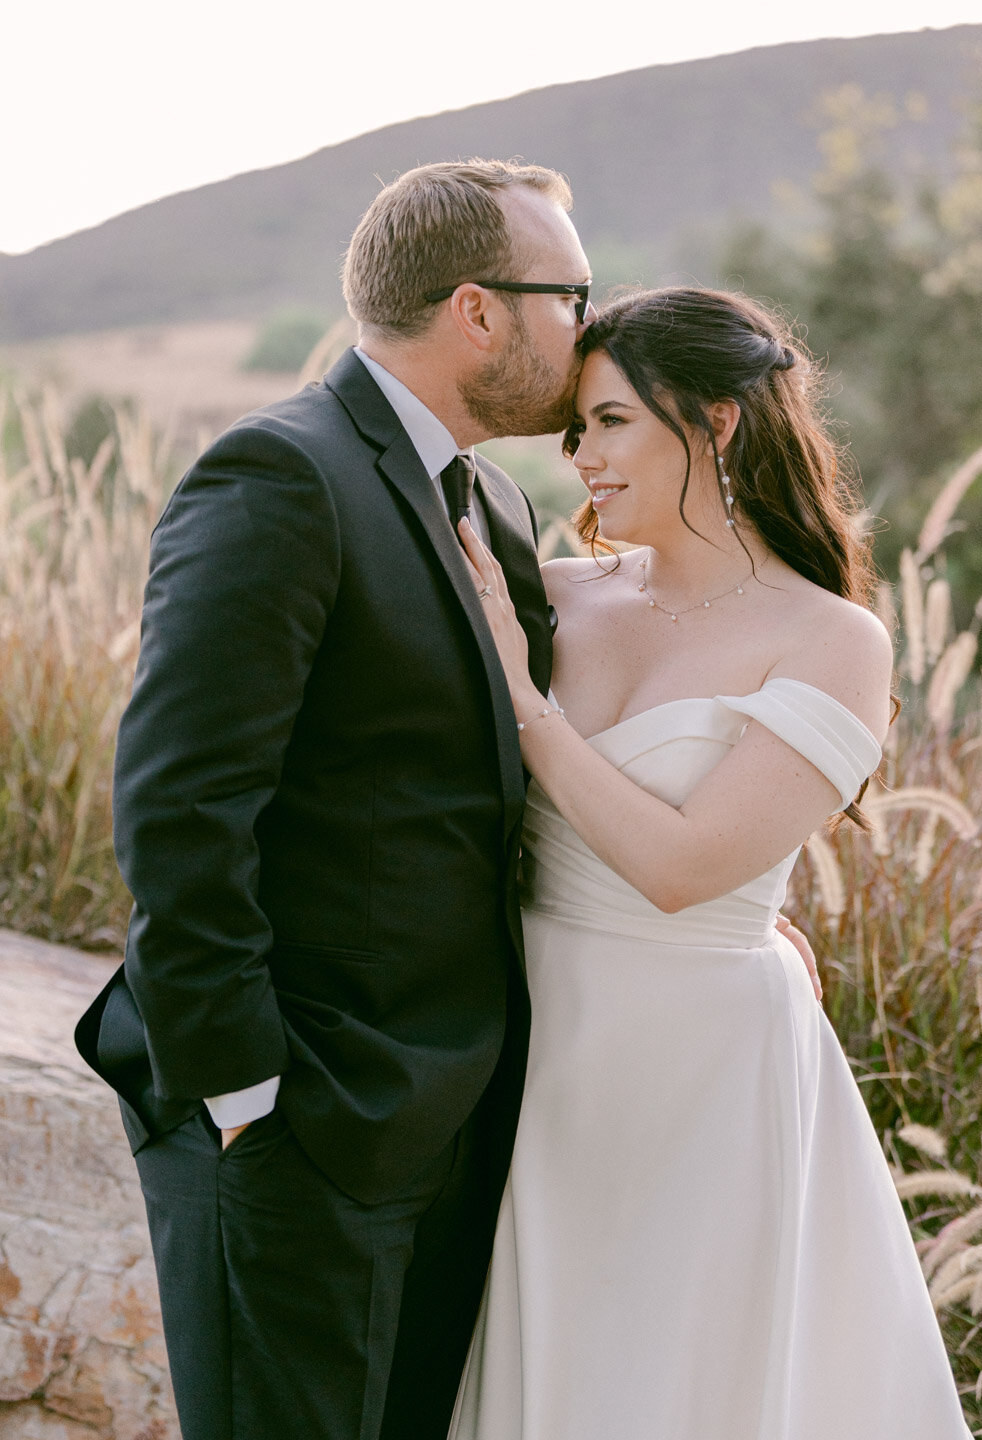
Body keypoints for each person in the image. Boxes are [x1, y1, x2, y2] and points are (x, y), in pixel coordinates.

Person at [72, 158, 593, 1440]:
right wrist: (245, 1094)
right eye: (573, 296)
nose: (592, 328)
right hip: (300, 1122)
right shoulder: (280, 475)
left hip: (455, 1120)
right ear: (479, 310)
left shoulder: (502, 505)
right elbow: (182, 804)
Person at [449, 286, 975, 1439]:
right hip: (535, 1046)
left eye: (611, 422)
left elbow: (684, 869)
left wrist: (524, 703)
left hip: (701, 1069)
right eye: (576, 429)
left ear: (717, 423)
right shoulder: (554, 593)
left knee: (675, 1375)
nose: (582, 457)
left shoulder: (830, 638)